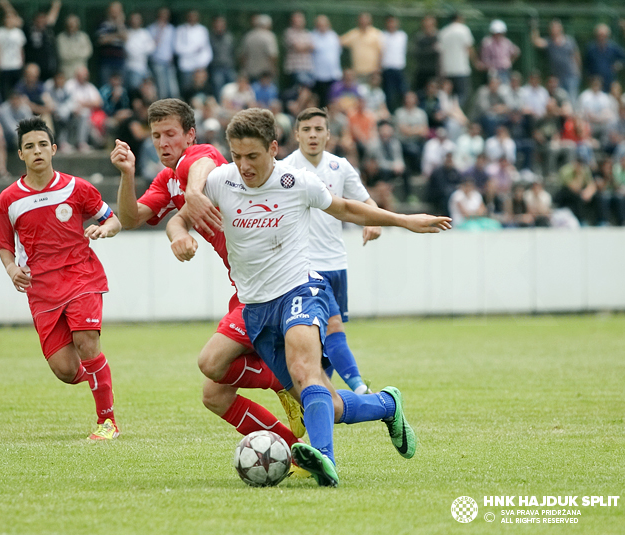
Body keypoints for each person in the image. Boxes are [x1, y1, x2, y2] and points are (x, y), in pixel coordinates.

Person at [167, 107, 450, 486]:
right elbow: (179, 218)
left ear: (273, 147)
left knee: (304, 370)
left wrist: (404, 220)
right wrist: (179, 236)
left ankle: (325, 461)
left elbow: (348, 208)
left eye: (252, 156)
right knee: (324, 404)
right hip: (255, 309)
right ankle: (387, 404)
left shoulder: (296, 182)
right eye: (236, 156)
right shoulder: (221, 181)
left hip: (302, 289)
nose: (244, 165)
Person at [111, 98, 308, 463]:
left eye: (170, 134)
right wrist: (127, 175)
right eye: (156, 136)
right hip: (247, 289)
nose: (163, 142)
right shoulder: (167, 178)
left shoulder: (200, 160)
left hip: (269, 289)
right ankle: (297, 454)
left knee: (212, 362)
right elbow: (132, 216)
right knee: (214, 395)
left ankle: (283, 381)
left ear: (189, 134)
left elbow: (201, 162)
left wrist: (195, 191)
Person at [0, 116, 122, 441]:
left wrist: (104, 229)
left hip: (81, 276)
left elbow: (113, 220)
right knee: (65, 370)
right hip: (42, 291)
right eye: (28, 146)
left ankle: (107, 422)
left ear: (53, 148)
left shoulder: (76, 188)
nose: (36, 151)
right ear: (20, 154)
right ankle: (98, 374)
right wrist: (11, 270)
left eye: (41, 145)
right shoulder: (9, 199)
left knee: (86, 342)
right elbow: (4, 245)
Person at [282, 107, 380, 394]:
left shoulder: (340, 166)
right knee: (333, 329)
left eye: (318, 129)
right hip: (304, 265)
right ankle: (360, 390)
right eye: (307, 130)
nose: (313, 135)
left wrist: (374, 222)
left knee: (323, 343)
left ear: (328, 134)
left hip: (336, 262)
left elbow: (365, 202)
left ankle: (316, 398)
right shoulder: (285, 168)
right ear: (296, 134)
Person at [531, 19, 581, 101]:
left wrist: (578, 71)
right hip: (557, 78)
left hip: (571, 75)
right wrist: (534, 27)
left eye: (556, 27)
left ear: (561, 28)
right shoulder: (549, 42)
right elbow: (536, 42)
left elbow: (576, 56)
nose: (554, 30)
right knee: (559, 101)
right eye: (552, 28)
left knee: (572, 100)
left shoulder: (569, 41)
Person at [437, 12, 475, 106]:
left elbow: (440, 52)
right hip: (461, 69)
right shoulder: (463, 30)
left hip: (447, 69)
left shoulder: (443, 32)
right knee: (462, 95)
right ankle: (455, 112)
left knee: (449, 95)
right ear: (459, 18)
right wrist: (475, 62)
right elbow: (469, 48)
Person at [57, 15, 93, 81]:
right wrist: (78, 53)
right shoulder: (60, 37)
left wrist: (72, 53)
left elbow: (88, 52)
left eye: (73, 24)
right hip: (66, 71)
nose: (71, 27)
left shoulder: (84, 37)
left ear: (77, 25)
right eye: (69, 24)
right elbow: (63, 55)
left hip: (81, 71)